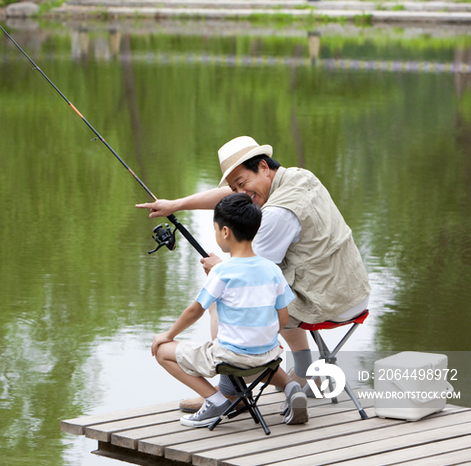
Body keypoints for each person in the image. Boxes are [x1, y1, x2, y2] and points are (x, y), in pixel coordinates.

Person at [139, 136, 372, 412]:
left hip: (327, 301)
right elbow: (235, 197)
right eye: (235, 186)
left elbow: (248, 278)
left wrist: (220, 270)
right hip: (354, 291)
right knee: (271, 292)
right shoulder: (298, 177)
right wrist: (175, 205)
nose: (241, 192)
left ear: (263, 167)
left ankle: (230, 393)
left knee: (226, 297)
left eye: (242, 183)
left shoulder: (277, 214)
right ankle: (302, 369)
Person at [151, 193, 309, 427]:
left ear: (225, 232)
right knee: (255, 355)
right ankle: (291, 386)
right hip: (268, 356)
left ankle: (215, 401)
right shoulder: (272, 270)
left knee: (162, 351)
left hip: (231, 358)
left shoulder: (222, 272)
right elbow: (283, 317)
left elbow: (195, 311)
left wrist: (167, 335)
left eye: (216, 230)